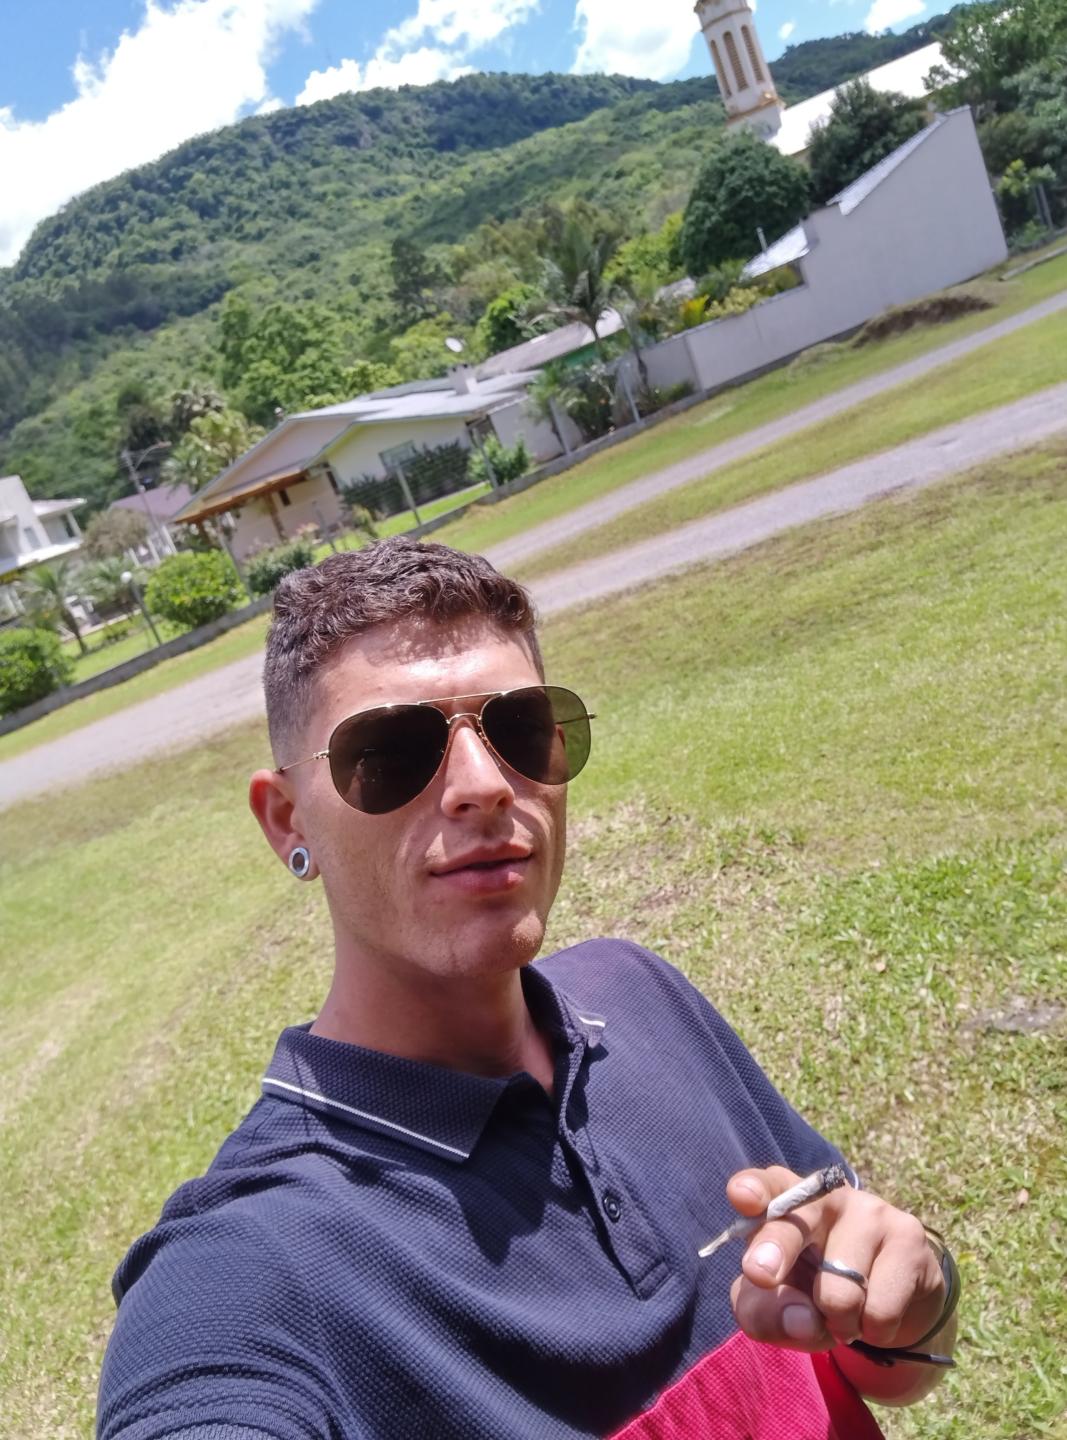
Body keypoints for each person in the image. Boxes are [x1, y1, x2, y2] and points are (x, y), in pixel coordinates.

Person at [97, 538, 958, 1440]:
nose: (482, 786)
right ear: (287, 821)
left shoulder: (640, 993)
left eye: (519, 727)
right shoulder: (255, 1264)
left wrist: (912, 1301)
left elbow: (877, 1351)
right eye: (390, 752)